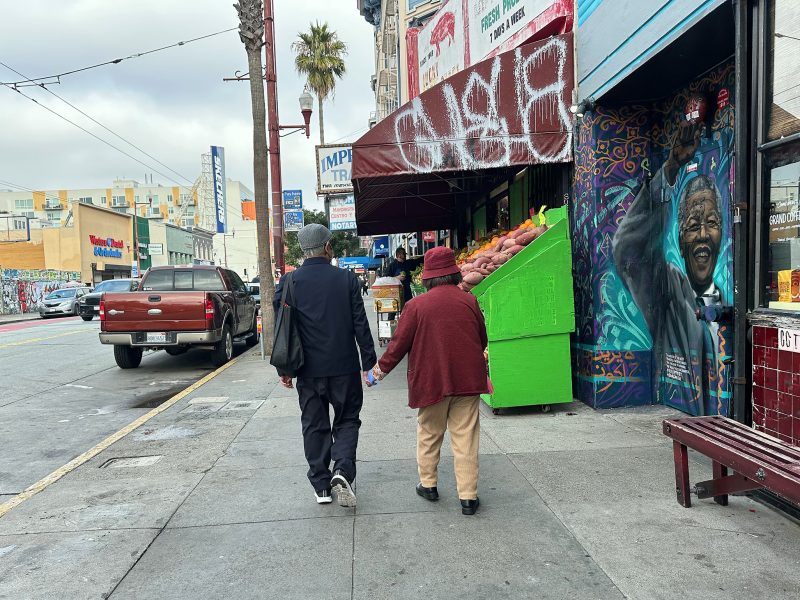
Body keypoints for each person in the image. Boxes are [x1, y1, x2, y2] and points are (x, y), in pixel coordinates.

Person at [613, 119, 728, 416]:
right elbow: (627, 248)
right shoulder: (667, 288)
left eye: (712, 224)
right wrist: (671, 170)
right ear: (679, 235)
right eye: (692, 226)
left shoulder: (731, 296)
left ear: (723, 230)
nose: (703, 235)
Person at [370, 247, 489, 515]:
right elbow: (482, 338)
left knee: (429, 434)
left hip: (432, 381)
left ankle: (429, 485)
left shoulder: (416, 306)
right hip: (467, 380)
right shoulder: (468, 301)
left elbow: (397, 346)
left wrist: (375, 374)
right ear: (454, 273)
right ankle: (468, 497)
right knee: (466, 438)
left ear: (427, 277)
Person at [273, 223, 377, 507]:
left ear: (303, 252)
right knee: (347, 419)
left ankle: (321, 486)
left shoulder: (289, 282)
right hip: (343, 367)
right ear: (328, 247)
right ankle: (342, 469)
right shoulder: (347, 280)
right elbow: (360, 324)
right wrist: (369, 363)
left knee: (314, 425)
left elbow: (283, 327)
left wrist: (286, 369)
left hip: (307, 369)